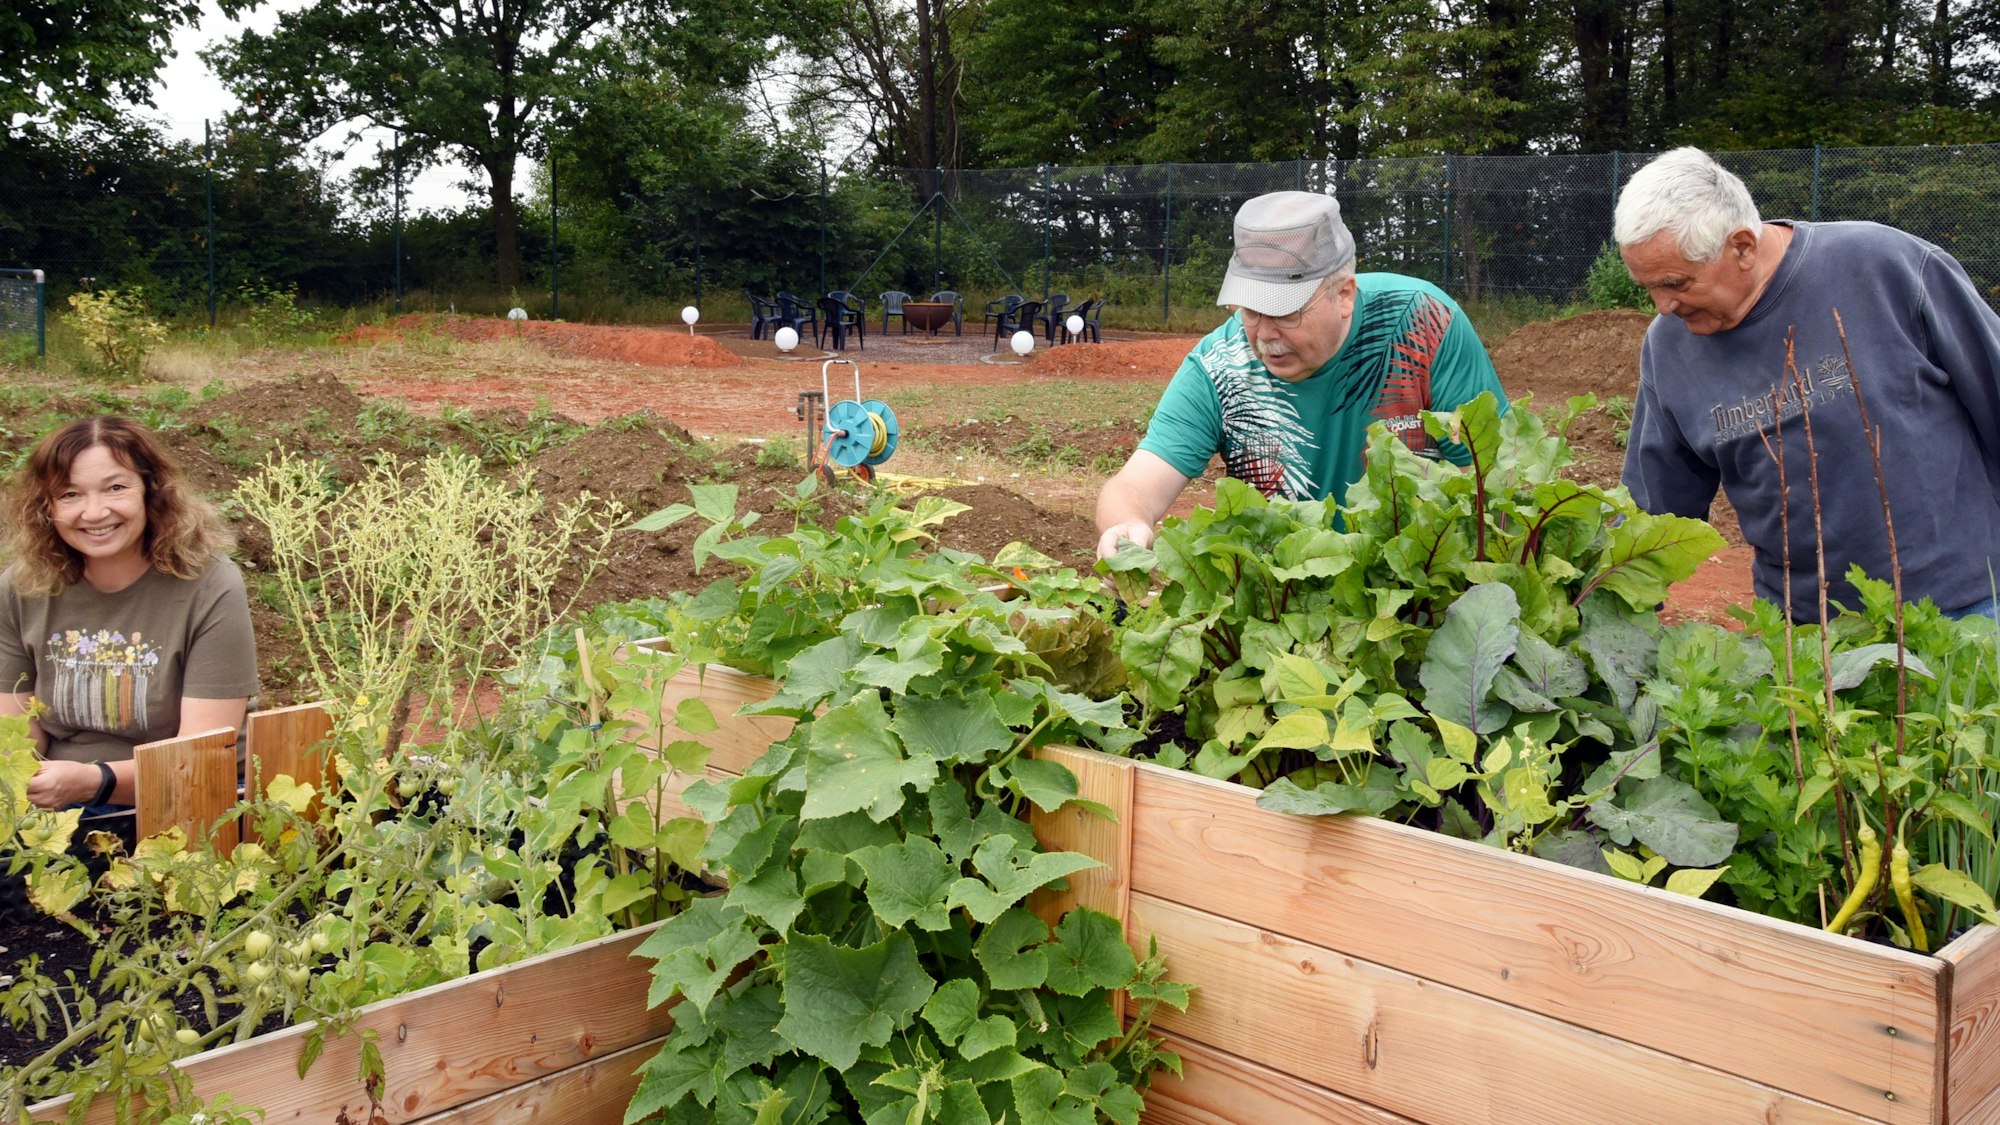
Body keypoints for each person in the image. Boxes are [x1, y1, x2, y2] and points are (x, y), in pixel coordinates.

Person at [1615, 147, 2000, 621]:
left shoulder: (1886, 267)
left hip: (1964, 608)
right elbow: (1653, 505)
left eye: (1676, 283)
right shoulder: (1668, 348)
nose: (1663, 306)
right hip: (1803, 627)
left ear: (1742, 247)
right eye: (1649, 287)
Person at [1095, 191, 1507, 558]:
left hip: (1416, 589)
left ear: (1343, 294)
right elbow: (1134, 486)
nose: (1264, 335)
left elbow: (1499, 479)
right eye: (1251, 311)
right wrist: (1125, 525)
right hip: (1284, 599)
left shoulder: (1423, 324)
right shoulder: (1219, 367)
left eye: (1285, 312)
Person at [0, 416, 259, 810]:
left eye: (115, 488)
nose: (94, 513)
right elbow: (17, 739)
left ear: (152, 492)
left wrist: (94, 782)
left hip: (189, 797)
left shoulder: (210, 585)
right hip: (58, 799)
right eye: (70, 494)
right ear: (46, 507)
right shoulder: (23, 587)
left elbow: (201, 753)